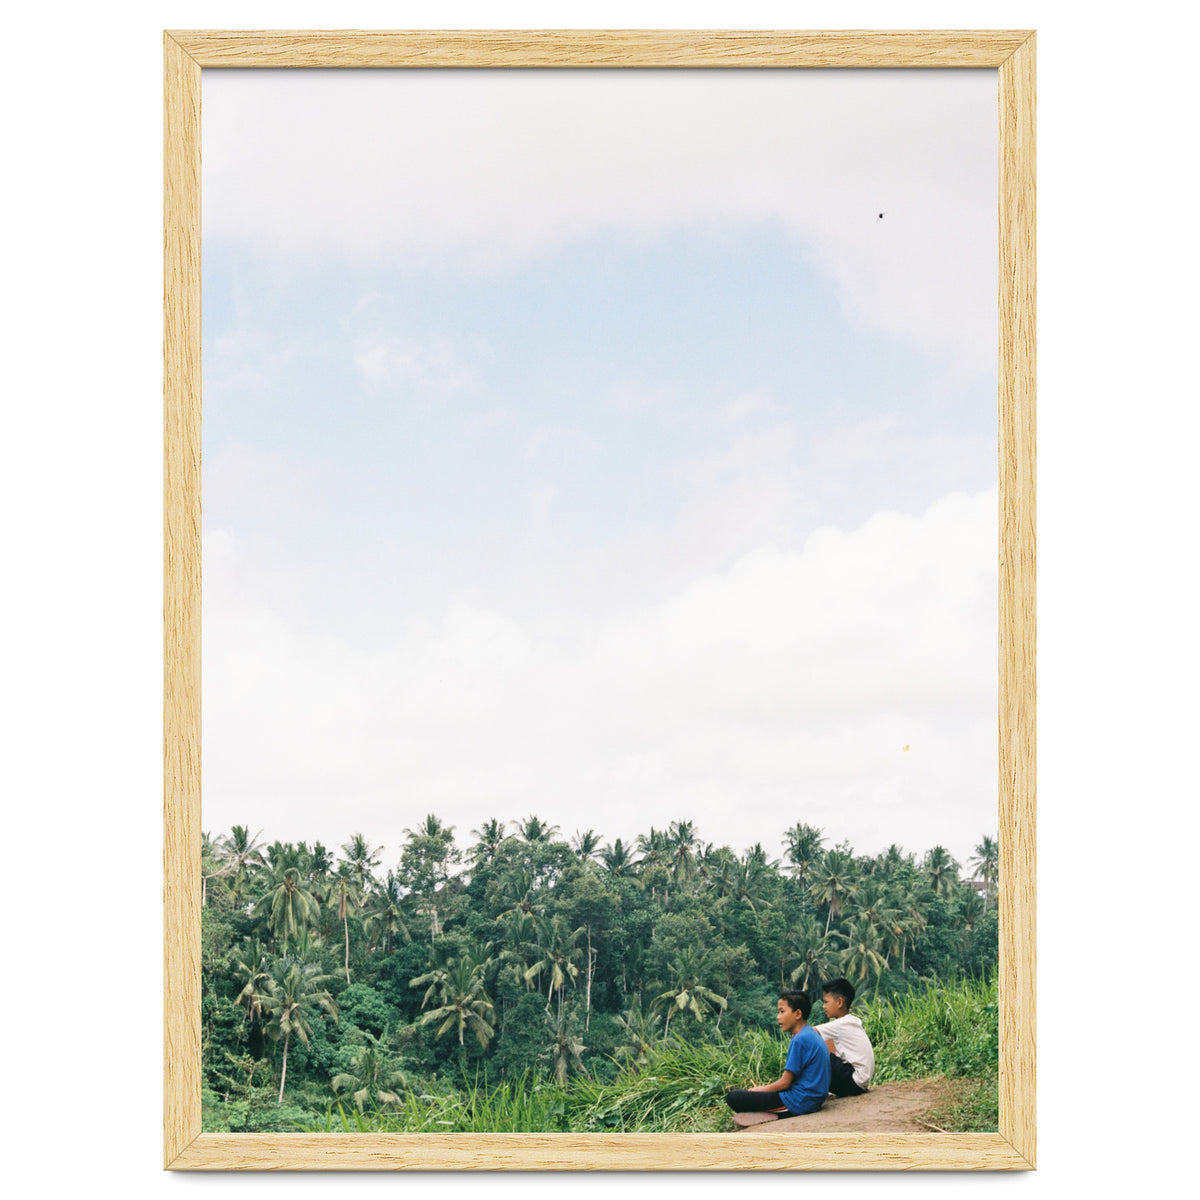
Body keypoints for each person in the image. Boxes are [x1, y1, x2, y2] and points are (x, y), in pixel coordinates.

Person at [725, 991, 831, 1119]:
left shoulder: (800, 1039)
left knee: (734, 1097)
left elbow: (784, 1083)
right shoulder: (809, 1033)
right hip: (814, 1099)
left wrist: (760, 1089)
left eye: (782, 1011)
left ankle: (772, 1114)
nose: (778, 1017)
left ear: (798, 1014)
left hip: (801, 1102)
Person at [816, 977, 875, 1097]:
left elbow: (807, 1034)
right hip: (858, 1081)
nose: (823, 1006)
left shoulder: (840, 1025)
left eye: (826, 1002)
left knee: (812, 1050)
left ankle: (805, 1091)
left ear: (839, 1002)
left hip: (853, 1081)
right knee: (823, 1044)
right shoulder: (851, 1021)